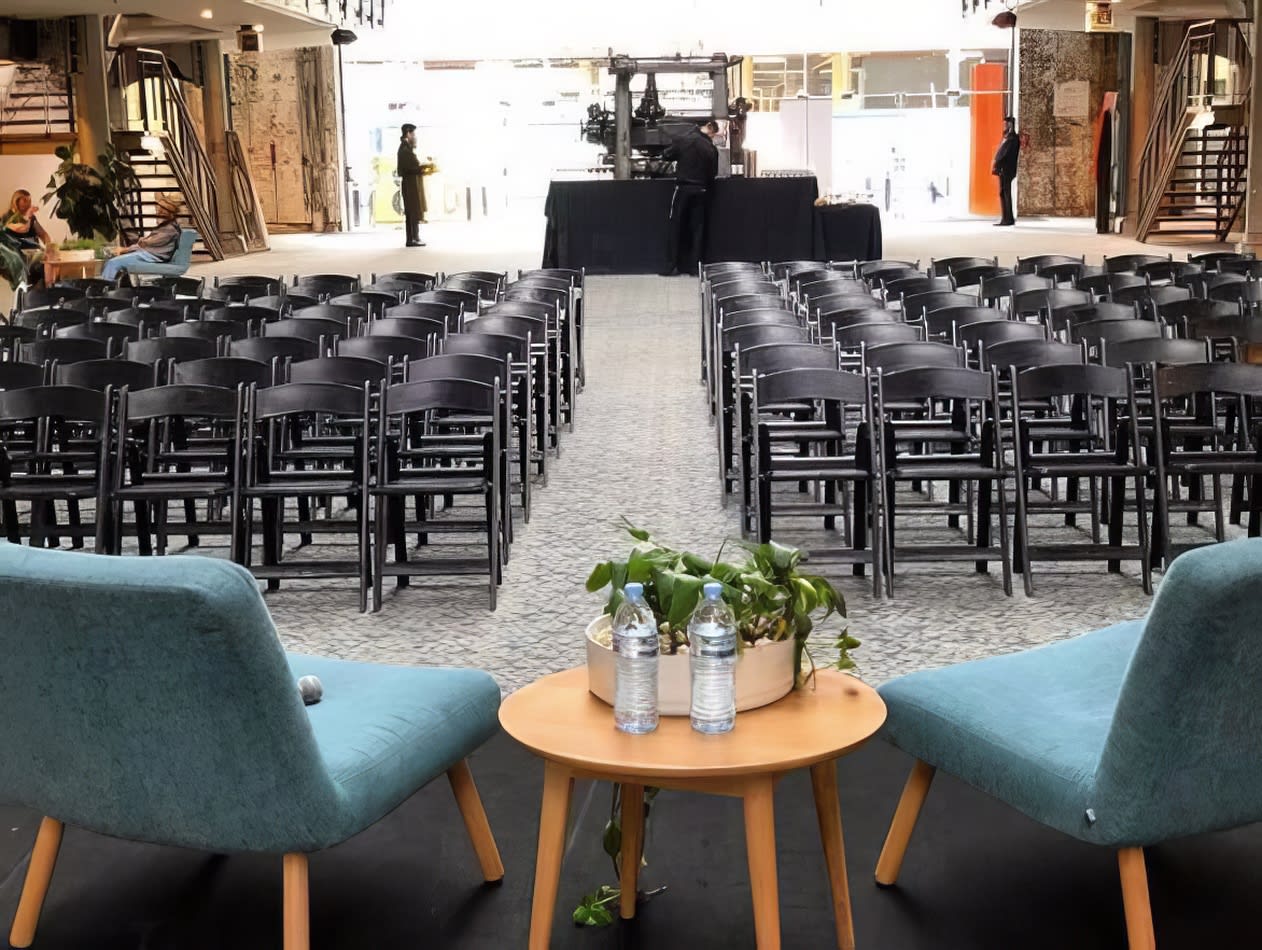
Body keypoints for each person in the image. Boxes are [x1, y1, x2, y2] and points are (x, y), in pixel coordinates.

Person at [661, 119, 719, 277]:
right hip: (701, 190)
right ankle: (695, 268)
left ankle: (671, 266)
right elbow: (713, 173)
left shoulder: (684, 139)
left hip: (683, 189)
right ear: (710, 129)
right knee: (697, 229)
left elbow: (666, 155)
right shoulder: (710, 147)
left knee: (676, 227)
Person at [102, 192, 183, 282]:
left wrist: (126, 249)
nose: (159, 211)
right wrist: (126, 249)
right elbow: (145, 244)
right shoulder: (167, 227)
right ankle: (113, 287)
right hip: (150, 254)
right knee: (114, 260)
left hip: (153, 256)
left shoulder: (169, 229)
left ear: (171, 213)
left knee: (113, 263)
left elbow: (146, 244)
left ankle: (105, 288)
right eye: (159, 208)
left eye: (164, 209)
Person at [2, 189, 53, 285]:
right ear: (16, 201)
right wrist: (29, 215)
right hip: (19, 257)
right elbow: (23, 228)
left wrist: (49, 246)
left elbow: (43, 234)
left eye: (29, 200)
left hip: (34, 254)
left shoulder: (32, 218)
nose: (28, 204)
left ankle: (49, 289)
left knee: (51, 261)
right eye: (25, 200)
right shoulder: (8, 217)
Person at [396, 123, 427, 248]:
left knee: (413, 210)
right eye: (413, 134)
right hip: (409, 185)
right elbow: (410, 167)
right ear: (408, 133)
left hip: (411, 183)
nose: (415, 137)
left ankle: (415, 237)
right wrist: (423, 168)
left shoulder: (407, 148)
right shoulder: (404, 149)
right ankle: (411, 239)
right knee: (411, 211)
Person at [992, 115, 1020, 227]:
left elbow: (1004, 155)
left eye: (1005, 124)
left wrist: (997, 163)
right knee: (1004, 193)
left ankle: (1007, 218)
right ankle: (1006, 217)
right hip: (1004, 169)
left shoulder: (1012, 139)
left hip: (1006, 169)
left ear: (1010, 125)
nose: (1004, 126)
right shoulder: (1008, 138)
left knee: (1005, 193)